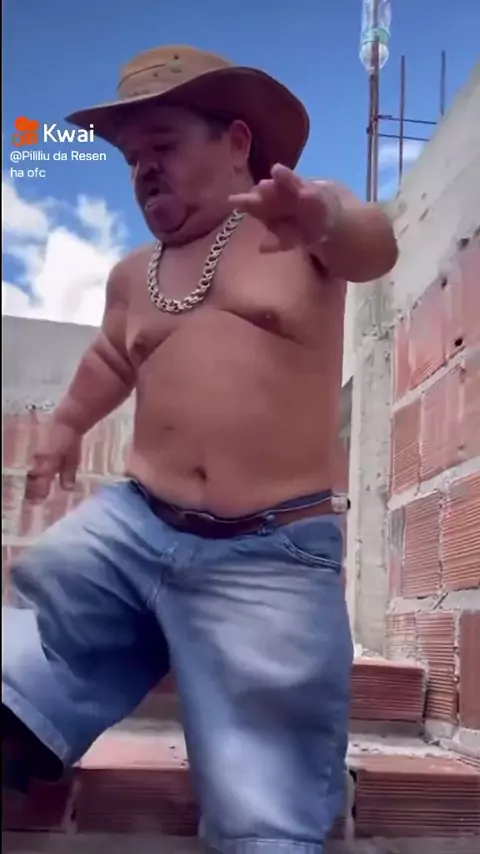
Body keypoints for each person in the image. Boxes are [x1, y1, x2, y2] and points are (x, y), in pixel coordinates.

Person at [2, 45, 398, 853]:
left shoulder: (297, 230)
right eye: (131, 159)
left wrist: (326, 219)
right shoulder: (133, 275)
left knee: (268, 779)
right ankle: (22, 720)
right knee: (58, 584)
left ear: (238, 142)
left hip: (270, 551)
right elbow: (110, 358)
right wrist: (67, 426)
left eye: (165, 145)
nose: (145, 170)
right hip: (137, 524)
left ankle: (289, 806)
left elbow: (375, 246)